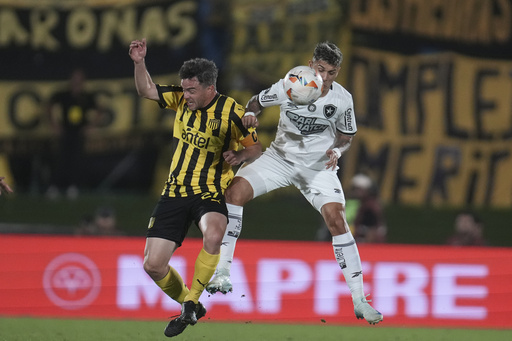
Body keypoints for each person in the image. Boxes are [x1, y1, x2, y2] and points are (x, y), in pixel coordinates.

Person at [206, 42, 383, 325]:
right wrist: (253, 114)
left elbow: (347, 135)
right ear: (312, 65)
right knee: (234, 192)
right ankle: (223, 272)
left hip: (317, 168)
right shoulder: (290, 84)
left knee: (338, 220)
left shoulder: (341, 99)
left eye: (332, 73)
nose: (325, 77)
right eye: (321, 69)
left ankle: (360, 300)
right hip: (279, 159)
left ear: (337, 73)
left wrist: (337, 150)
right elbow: (256, 101)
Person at [128, 38, 262, 337]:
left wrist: (239, 155)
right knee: (153, 266)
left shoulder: (233, 113)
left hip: (209, 192)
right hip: (174, 191)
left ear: (209, 89)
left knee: (214, 234)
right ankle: (192, 306)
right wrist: (139, 63)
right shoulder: (179, 99)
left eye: (191, 90)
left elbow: (256, 149)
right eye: (183, 89)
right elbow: (146, 90)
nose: (185, 95)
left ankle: (190, 302)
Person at [45, 68, 104, 199]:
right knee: (60, 159)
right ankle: (54, 186)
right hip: (65, 131)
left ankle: (73, 187)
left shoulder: (86, 97)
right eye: (75, 79)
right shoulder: (63, 95)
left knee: (76, 160)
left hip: (79, 132)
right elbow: (49, 105)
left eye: (79, 80)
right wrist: (54, 124)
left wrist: (91, 126)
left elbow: (100, 110)